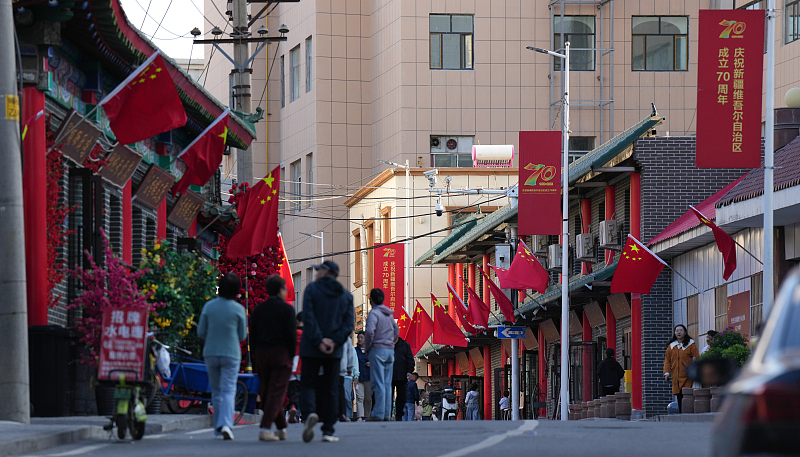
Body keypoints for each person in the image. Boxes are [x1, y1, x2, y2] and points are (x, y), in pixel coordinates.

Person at [299, 261, 355, 443]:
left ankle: (309, 413)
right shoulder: (345, 295)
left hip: (311, 346)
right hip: (334, 349)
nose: (316, 274)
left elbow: (308, 316)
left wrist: (319, 340)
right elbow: (348, 324)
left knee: (308, 383)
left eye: (317, 270)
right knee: (331, 388)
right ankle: (328, 430)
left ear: (325, 272)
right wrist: (333, 341)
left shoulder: (312, 290)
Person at [197, 272, 248, 440]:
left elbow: (200, 332)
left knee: (216, 391)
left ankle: (218, 427)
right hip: (231, 354)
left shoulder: (209, 306)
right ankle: (226, 424)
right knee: (228, 390)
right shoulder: (239, 309)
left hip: (211, 352)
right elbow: (242, 336)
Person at [250, 275, 297, 442]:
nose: (286, 291)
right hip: (281, 353)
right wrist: (291, 355)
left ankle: (281, 428)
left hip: (262, 353)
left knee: (269, 390)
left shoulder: (259, 308)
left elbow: (253, 335)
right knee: (277, 391)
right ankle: (265, 428)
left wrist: (255, 355)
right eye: (285, 288)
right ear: (280, 290)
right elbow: (291, 335)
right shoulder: (287, 309)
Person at [363, 288, 399, 421]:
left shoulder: (374, 314)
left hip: (377, 350)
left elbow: (370, 331)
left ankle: (378, 413)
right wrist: (390, 340)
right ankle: (386, 414)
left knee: (378, 382)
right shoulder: (388, 314)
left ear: (371, 299)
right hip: (390, 350)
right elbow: (396, 330)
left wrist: (368, 346)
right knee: (387, 383)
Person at [663, 324, 699, 412]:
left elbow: (697, 357)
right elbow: (667, 361)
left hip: (687, 374)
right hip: (676, 374)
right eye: (677, 331)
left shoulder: (690, 344)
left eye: (681, 330)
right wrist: (667, 372)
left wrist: (694, 360)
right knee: (678, 394)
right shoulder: (671, 346)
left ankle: (687, 411)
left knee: (686, 393)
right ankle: (681, 412)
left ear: (685, 332)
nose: (678, 332)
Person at [392, 335, 414, 420]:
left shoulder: (405, 345)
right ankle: (388, 415)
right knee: (388, 397)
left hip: (402, 376)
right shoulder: (386, 344)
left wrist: (409, 371)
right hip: (389, 376)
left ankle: (399, 415)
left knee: (401, 397)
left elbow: (410, 359)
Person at [287, 312, 303, 423]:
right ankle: (305, 413)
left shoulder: (292, 334)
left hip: (292, 366)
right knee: (304, 391)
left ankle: (292, 407)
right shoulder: (307, 334)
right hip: (303, 366)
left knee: (292, 391)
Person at [338, 336, 359, 422]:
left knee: (346, 396)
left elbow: (354, 359)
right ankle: (339, 414)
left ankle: (348, 415)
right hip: (337, 373)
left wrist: (355, 374)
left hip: (347, 375)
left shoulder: (347, 341)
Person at [354, 331, 372, 421]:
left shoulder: (370, 350)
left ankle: (367, 416)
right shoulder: (355, 350)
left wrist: (371, 363)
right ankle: (360, 416)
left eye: (361, 337)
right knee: (360, 397)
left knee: (368, 398)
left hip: (369, 377)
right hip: (358, 377)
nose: (359, 339)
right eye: (358, 338)